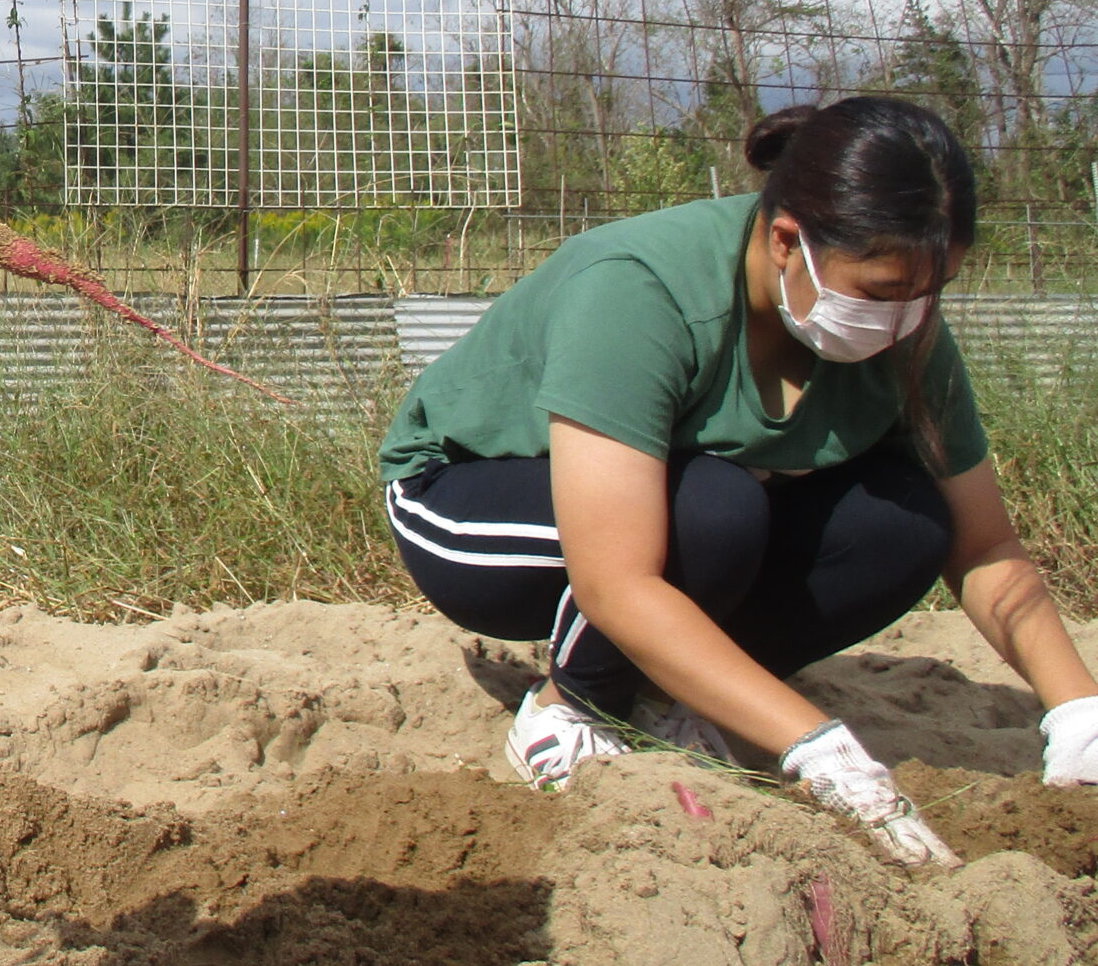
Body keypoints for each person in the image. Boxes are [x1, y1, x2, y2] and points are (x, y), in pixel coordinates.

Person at [379, 97, 1098, 866]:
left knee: (906, 522)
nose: (907, 320)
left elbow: (985, 544)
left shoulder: (906, 328)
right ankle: (571, 710)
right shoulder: (642, 290)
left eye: (931, 293)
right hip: (466, 504)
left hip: (673, 507)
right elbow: (614, 578)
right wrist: (815, 746)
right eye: (882, 293)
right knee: (714, 512)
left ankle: (668, 695)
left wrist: (1078, 715)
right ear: (788, 242)